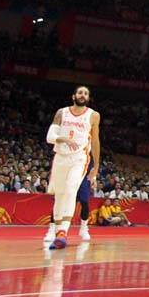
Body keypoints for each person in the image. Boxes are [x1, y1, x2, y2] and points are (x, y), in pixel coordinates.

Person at [43, 86, 100, 249]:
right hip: (60, 157)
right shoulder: (61, 112)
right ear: (73, 96)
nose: (83, 95)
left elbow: (95, 141)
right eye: (80, 92)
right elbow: (50, 137)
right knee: (59, 195)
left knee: (70, 190)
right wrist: (64, 140)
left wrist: (95, 166)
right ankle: (55, 230)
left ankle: (63, 233)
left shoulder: (93, 115)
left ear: (88, 98)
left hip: (79, 158)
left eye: (86, 93)